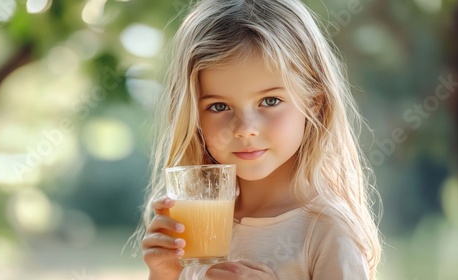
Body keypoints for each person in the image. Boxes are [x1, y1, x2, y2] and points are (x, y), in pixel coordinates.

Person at [136, 0, 382, 279]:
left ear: (314, 102)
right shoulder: (192, 232)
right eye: (218, 107)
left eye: (270, 100)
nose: (244, 129)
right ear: (193, 116)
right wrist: (165, 274)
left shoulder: (326, 232)